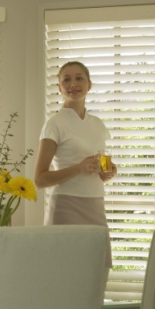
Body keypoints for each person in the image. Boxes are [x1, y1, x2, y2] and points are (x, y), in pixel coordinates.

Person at [34, 61, 117, 269]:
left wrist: (109, 171)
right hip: (66, 208)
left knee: (98, 273)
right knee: (66, 276)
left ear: (89, 85)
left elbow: (101, 161)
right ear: (59, 88)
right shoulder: (55, 124)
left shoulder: (97, 124)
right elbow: (40, 179)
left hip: (96, 206)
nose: (73, 84)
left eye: (79, 78)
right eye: (67, 79)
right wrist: (78, 169)